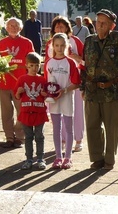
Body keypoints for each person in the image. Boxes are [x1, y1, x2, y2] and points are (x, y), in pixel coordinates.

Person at [80, 9, 118, 170]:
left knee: (112, 127)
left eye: (104, 23)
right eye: (98, 22)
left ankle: (109, 159)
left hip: (112, 90)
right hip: (92, 89)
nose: (100, 25)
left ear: (112, 25)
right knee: (92, 126)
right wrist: (82, 86)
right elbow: (85, 65)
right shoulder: (89, 41)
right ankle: (97, 158)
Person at [45, 16, 85, 152]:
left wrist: (74, 57)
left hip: (73, 82)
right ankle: (62, 140)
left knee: (76, 112)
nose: (59, 29)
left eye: (62, 26)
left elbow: (85, 61)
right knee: (57, 114)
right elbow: (47, 62)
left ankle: (78, 139)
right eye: (57, 27)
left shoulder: (75, 41)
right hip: (55, 83)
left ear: (67, 28)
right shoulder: (50, 43)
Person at [0, 17, 35, 148]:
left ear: (20, 28)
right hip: (4, 83)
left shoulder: (27, 43)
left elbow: (33, 62)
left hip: (21, 84)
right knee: (6, 113)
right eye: (10, 25)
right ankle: (9, 137)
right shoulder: (1, 43)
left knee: (22, 112)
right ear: (6, 28)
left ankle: (19, 136)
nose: (13, 27)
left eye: (16, 25)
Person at [44, 33, 80, 169]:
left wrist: (64, 90)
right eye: (57, 45)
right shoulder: (49, 63)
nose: (59, 48)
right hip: (53, 101)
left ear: (67, 46)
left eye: (62, 45)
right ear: (52, 46)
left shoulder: (70, 62)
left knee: (68, 129)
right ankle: (58, 157)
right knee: (56, 128)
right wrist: (47, 93)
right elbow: (46, 82)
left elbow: (77, 83)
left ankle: (68, 157)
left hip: (66, 99)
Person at [14, 52, 49, 170]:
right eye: (32, 66)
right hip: (26, 112)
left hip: (39, 112)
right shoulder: (22, 79)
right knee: (28, 137)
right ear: (27, 66)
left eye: (37, 66)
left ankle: (40, 158)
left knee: (40, 136)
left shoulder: (43, 80)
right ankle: (29, 159)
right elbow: (17, 96)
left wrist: (45, 94)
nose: (34, 68)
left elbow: (47, 95)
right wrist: (19, 91)